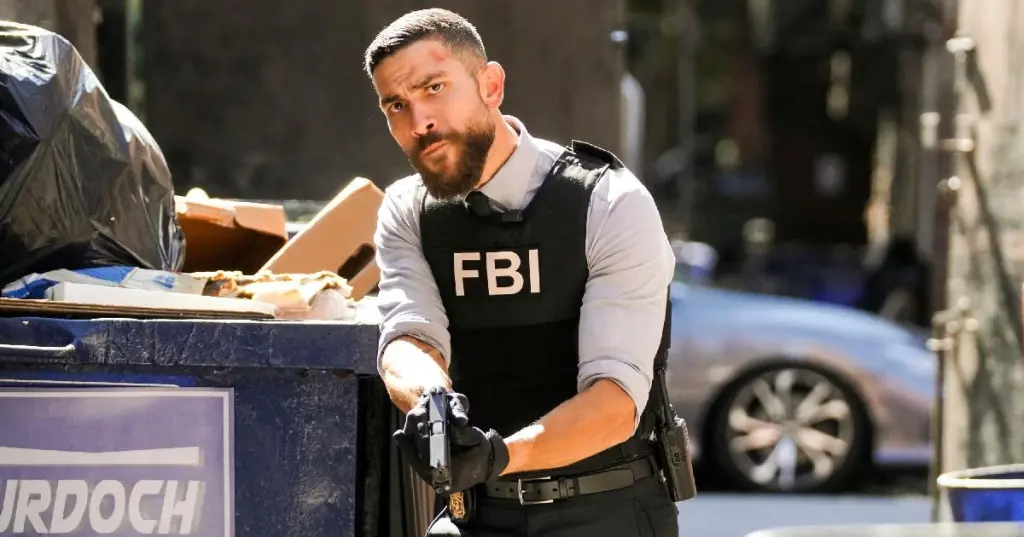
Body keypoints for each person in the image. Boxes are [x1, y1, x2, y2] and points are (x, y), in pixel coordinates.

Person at [364, 8, 679, 537]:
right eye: (396, 105)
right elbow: (409, 339)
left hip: (606, 509)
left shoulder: (608, 202)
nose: (419, 122)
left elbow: (615, 402)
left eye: (434, 88)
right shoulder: (407, 210)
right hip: (475, 510)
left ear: (490, 85)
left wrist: (498, 456)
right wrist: (433, 404)